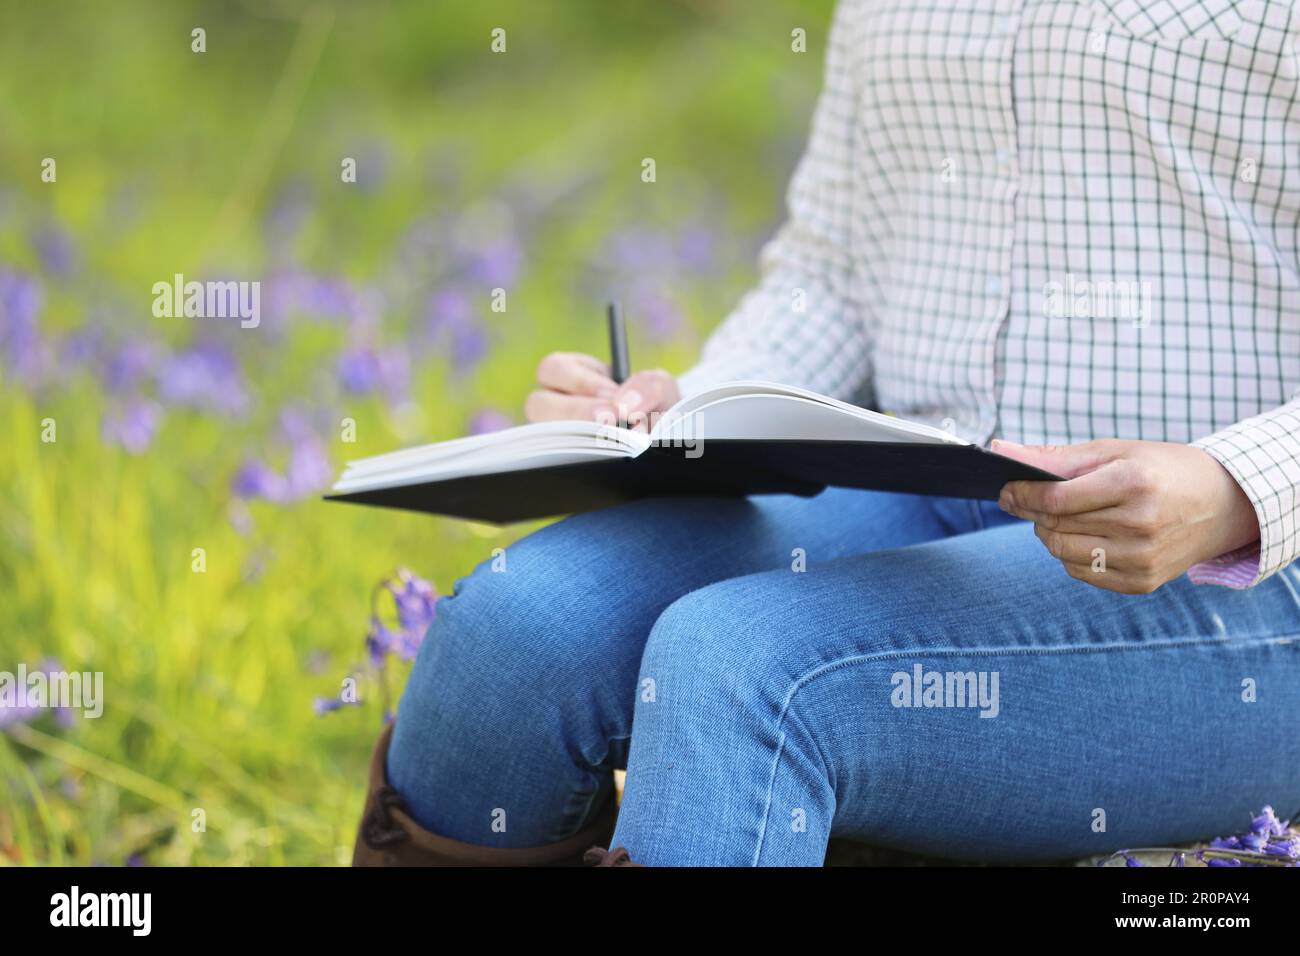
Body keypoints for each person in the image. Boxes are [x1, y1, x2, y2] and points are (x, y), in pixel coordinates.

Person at [354, 0, 1300, 866]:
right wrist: (667, 414)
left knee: (741, 668)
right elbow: (838, 268)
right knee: (517, 634)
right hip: (928, 492)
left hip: (1241, 568)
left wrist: (1233, 487)